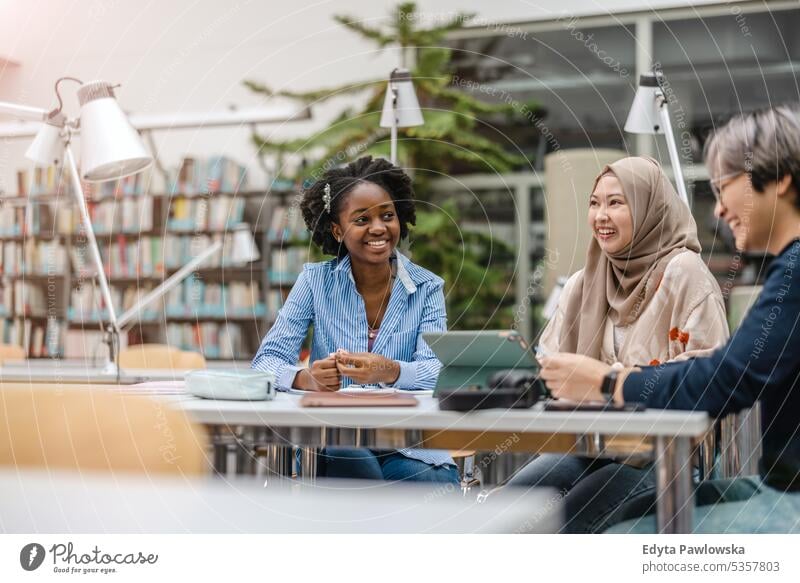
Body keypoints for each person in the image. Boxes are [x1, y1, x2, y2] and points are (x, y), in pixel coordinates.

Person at [540, 105, 800, 533]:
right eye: (595, 204)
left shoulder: (785, 273)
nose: (716, 210)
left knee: (603, 532)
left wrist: (610, 381)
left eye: (723, 187)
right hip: (602, 446)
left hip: (764, 488)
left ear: (781, 178)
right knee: (518, 504)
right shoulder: (787, 269)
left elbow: (728, 376)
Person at [503, 156, 729, 533]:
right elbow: (550, 363)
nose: (600, 216)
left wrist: (612, 378)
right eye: (594, 203)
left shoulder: (685, 274)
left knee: (560, 524)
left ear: (647, 208)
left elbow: (707, 378)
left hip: (665, 456)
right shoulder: (582, 283)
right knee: (507, 513)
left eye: (616, 202)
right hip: (591, 446)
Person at [252, 156, 458, 483]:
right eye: (362, 219)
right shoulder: (315, 282)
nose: (378, 227)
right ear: (337, 230)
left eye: (387, 216)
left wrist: (390, 371)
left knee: (434, 483)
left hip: (405, 443)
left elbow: (438, 372)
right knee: (352, 463)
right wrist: (306, 379)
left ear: (399, 220)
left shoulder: (427, 287)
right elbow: (265, 362)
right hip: (336, 436)